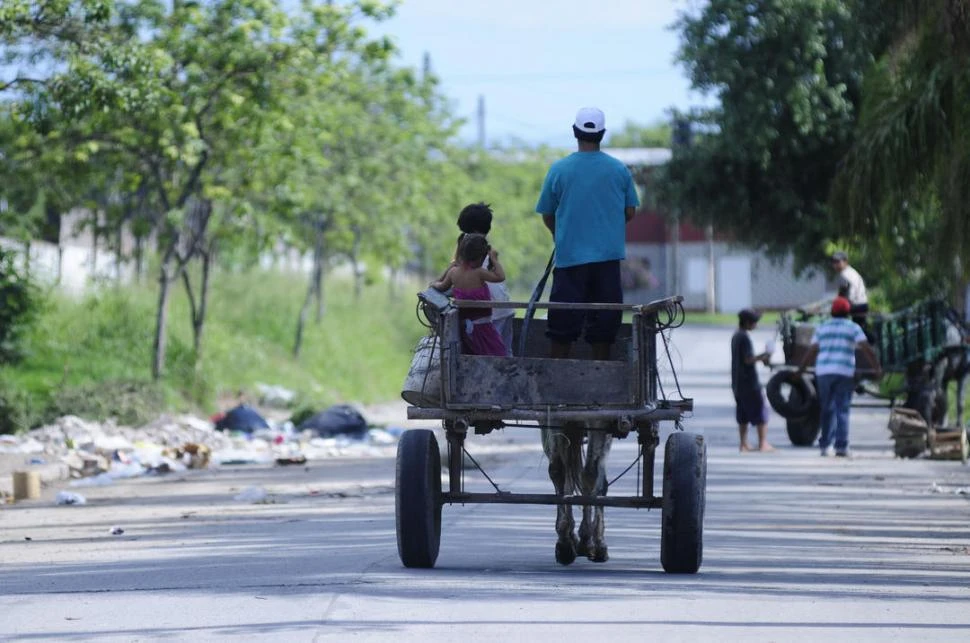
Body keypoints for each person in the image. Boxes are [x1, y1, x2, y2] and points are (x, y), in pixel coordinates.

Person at [535, 106, 640, 361]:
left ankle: (558, 384)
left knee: (561, 328)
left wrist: (561, 234)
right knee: (604, 328)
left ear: (574, 132)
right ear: (602, 133)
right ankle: (599, 378)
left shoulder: (559, 170)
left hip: (570, 262)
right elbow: (629, 211)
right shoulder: (619, 170)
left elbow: (547, 213)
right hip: (607, 263)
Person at [797, 296, 881, 457]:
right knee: (842, 409)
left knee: (827, 408)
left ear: (832, 312)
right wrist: (876, 367)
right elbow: (866, 348)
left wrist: (801, 370)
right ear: (848, 312)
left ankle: (825, 445)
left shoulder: (822, 327)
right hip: (844, 371)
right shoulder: (853, 328)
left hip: (824, 372)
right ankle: (841, 446)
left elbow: (812, 350)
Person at [431, 233, 507, 357]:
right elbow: (501, 276)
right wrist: (494, 259)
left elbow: (441, 286)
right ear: (481, 258)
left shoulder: (453, 272)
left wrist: (433, 284)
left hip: (464, 332)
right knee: (498, 356)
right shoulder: (479, 273)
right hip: (485, 330)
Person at [454, 202, 514, 356]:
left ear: (471, 231)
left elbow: (457, 268)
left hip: (491, 314)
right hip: (504, 307)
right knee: (505, 352)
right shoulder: (484, 248)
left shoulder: (472, 252)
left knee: (492, 355)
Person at [731, 308, 774, 452]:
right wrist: (764, 355)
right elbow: (748, 359)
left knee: (742, 414)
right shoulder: (744, 337)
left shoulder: (736, 335)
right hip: (749, 382)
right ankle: (763, 444)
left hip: (737, 383)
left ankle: (743, 444)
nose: (756, 325)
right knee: (761, 411)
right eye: (755, 322)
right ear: (748, 322)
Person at [831, 251, 870, 336]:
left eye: (838, 262)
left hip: (856, 305)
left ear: (845, 262)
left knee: (838, 320)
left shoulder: (845, 274)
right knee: (860, 330)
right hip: (862, 304)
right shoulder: (850, 271)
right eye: (834, 262)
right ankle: (869, 342)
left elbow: (842, 295)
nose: (836, 265)